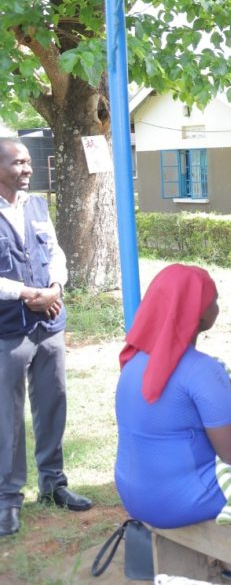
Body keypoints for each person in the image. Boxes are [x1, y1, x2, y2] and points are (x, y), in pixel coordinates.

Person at [0, 137, 91, 537]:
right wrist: (25, 293)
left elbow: (56, 252)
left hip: (49, 325)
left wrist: (55, 287)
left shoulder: (37, 205)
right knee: (7, 416)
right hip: (8, 330)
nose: (28, 168)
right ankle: (8, 499)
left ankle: (53, 483)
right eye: (18, 162)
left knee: (53, 404)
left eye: (27, 162)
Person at [115, 264, 231, 528]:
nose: (218, 307)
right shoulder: (202, 370)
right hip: (180, 502)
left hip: (132, 494)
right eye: (215, 301)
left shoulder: (132, 361)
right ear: (199, 313)